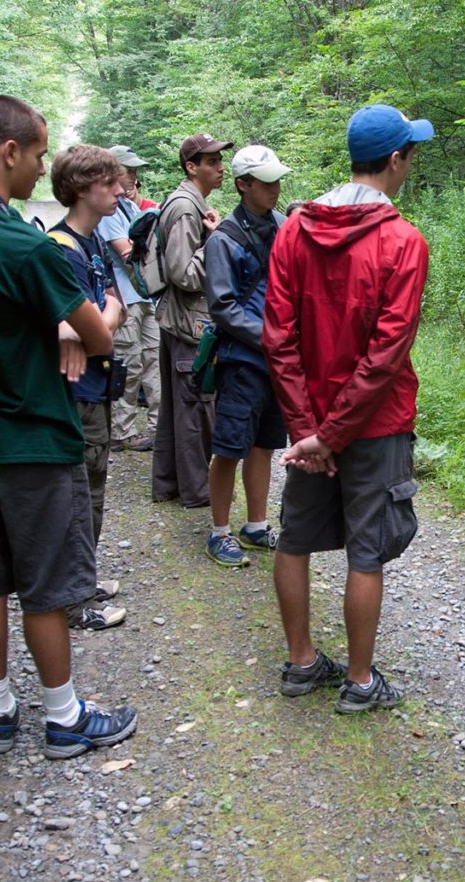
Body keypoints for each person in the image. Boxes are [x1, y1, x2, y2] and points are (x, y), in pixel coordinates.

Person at [0, 95, 137, 758]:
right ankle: (64, 717)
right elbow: (99, 338)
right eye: (40, 153)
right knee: (45, 583)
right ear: (9, 151)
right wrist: (104, 307)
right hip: (35, 435)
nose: (42, 166)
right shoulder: (21, 243)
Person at [262, 104, 432, 713]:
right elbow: (387, 354)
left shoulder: (294, 229)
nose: (411, 162)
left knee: (295, 537)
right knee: (367, 549)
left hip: (310, 423)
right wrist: (329, 437)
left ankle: (302, 662)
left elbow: (277, 337)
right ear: (394, 160)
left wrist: (308, 430)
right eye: (411, 153)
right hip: (375, 425)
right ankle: (360, 682)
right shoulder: (403, 242)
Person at [47, 144, 130, 631]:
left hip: (96, 385)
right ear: (82, 189)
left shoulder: (94, 242)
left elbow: (114, 305)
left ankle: (85, 578)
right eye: (109, 183)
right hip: (77, 392)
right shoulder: (61, 249)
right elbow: (93, 327)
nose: (120, 190)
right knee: (80, 494)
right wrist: (96, 325)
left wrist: (99, 323)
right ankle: (75, 600)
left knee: (94, 488)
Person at [202, 145, 292, 567]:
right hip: (243, 360)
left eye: (277, 180)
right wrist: (271, 337)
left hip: (278, 360)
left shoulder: (283, 225)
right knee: (230, 447)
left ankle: (255, 525)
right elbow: (222, 306)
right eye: (266, 182)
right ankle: (218, 531)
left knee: (264, 445)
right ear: (243, 185)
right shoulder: (223, 239)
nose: (275, 188)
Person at [151, 132, 232, 508]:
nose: (220, 168)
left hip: (178, 321)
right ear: (191, 167)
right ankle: (198, 492)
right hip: (188, 323)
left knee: (177, 410)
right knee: (195, 409)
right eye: (212, 162)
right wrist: (216, 243)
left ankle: (169, 484)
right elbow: (183, 273)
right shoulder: (186, 207)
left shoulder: (189, 202)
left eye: (219, 160)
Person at [96, 145, 160, 452]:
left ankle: (157, 428)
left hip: (147, 297)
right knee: (129, 363)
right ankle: (120, 432)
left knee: (154, 359)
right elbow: (126, 253)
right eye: (128, 170)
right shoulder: (108, 211)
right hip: (127, 298)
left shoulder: (130, 208)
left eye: (135, 171)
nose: (134, 177)